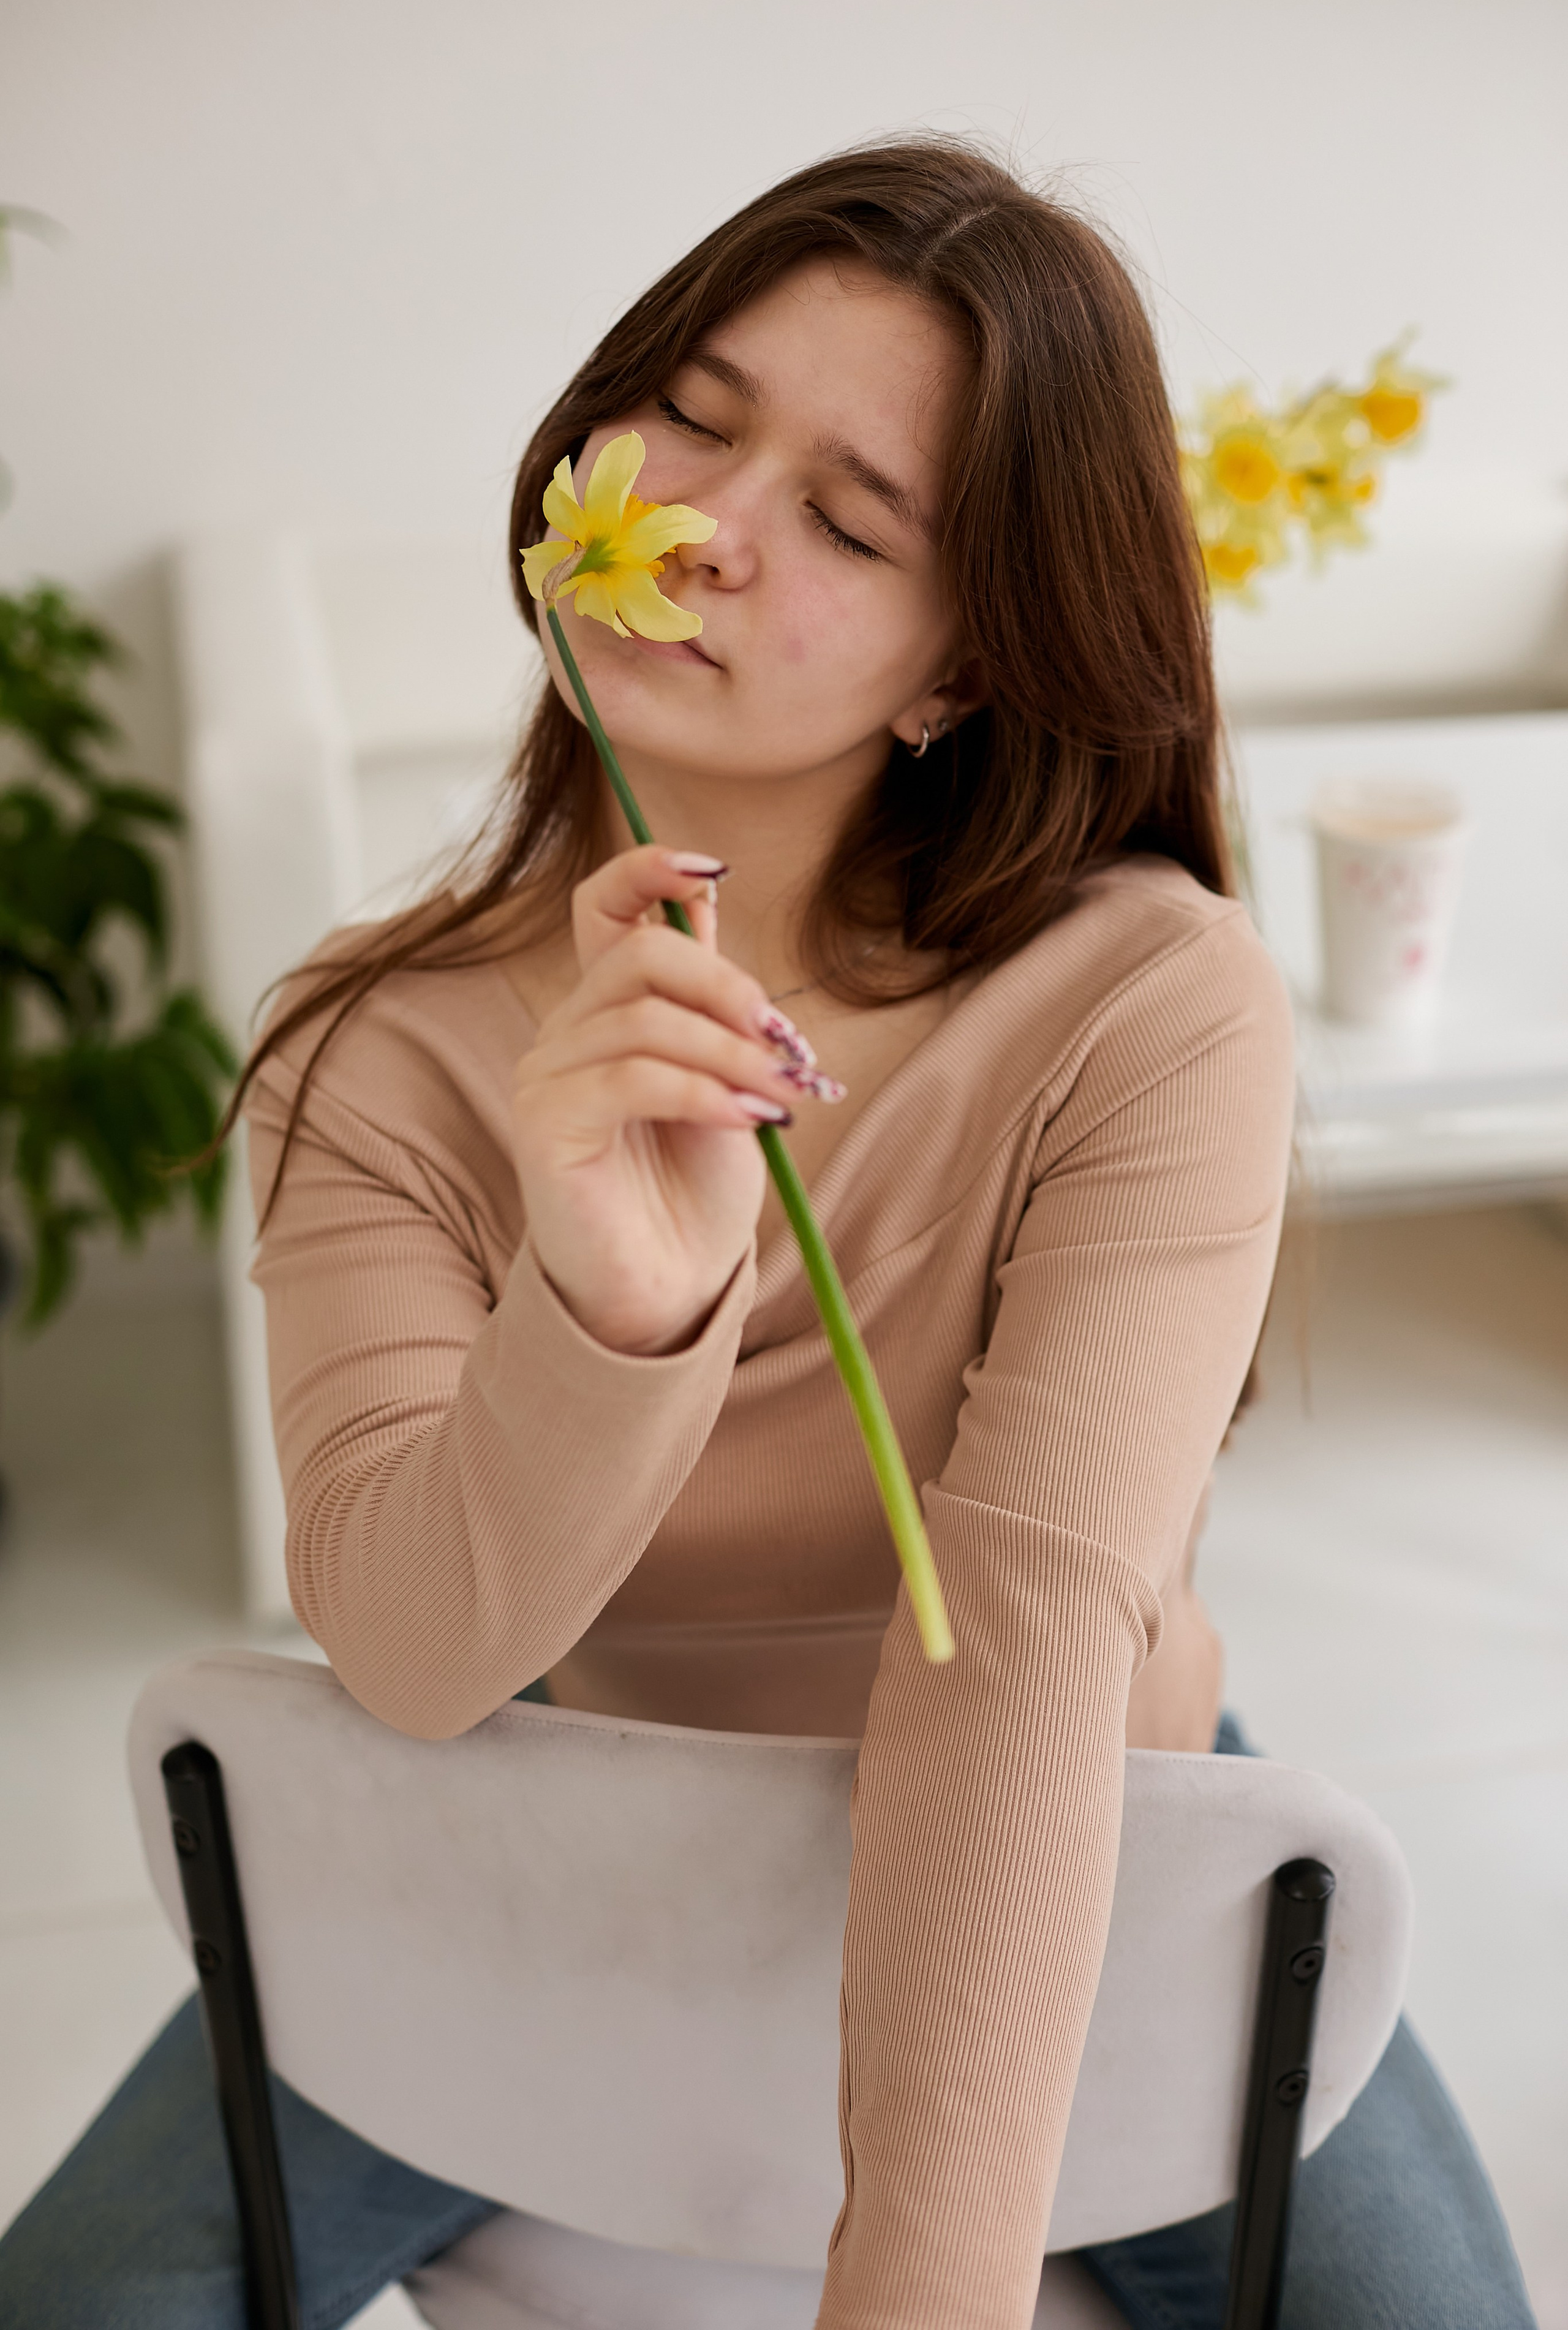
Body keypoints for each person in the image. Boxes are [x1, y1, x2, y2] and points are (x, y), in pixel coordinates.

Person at [0, 137, 1534, 2330]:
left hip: (1065, 1859)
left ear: (957, 668)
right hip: (570, 1866)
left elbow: (1007, 1652)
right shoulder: (379, 1045)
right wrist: (614, 1307)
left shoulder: (1141, 998)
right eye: (692, 422)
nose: (702, 532)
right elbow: (420, 1659)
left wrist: (911, 2292)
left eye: (844, 517)